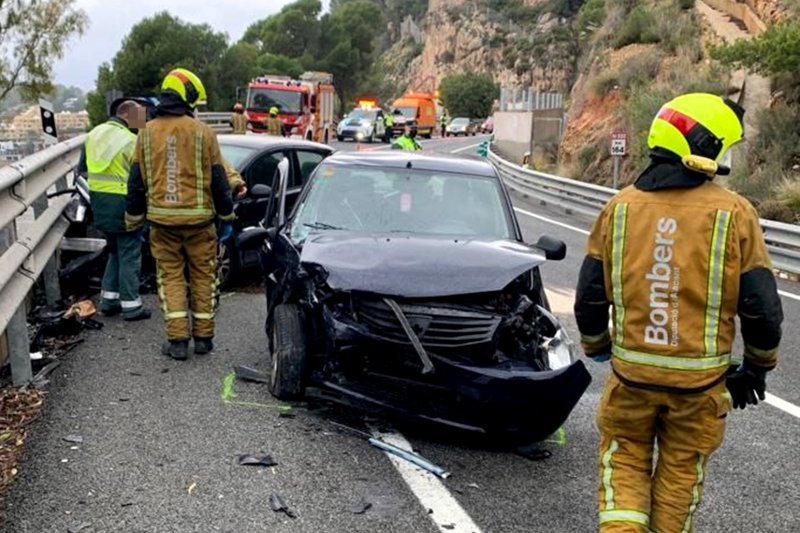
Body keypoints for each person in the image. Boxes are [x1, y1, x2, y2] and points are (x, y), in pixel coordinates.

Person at [574, 93, 783, 533]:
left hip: (631, 380)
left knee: (624, 462)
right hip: (699, 387)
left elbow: (590, 295)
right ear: (704, 147)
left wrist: (598, 347)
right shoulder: (735, 213)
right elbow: (762, 308)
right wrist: (757, 369)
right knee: (680, 476)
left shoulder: (620, 208)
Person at [125, 68, 236, 361]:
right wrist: (226, 217)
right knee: (203, 276)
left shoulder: (145, 133)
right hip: (201, 224)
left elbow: (136, 181)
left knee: (171, 278)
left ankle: (177, 342)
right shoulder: (203, 133)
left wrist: (134, 220)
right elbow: (219, 181)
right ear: (187, 97)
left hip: (162, 225)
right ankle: (203, 339)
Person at [79, 100, 151, 321]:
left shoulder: (93, 134)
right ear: (128, 115)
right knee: (130, 253)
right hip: (123, 202)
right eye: (141, 115)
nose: (144, 120)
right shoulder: (130, 140)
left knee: (115, 252)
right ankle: (131, 305)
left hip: (100, 203)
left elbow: (82, 170)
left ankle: (109, 301)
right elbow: (142, 177)